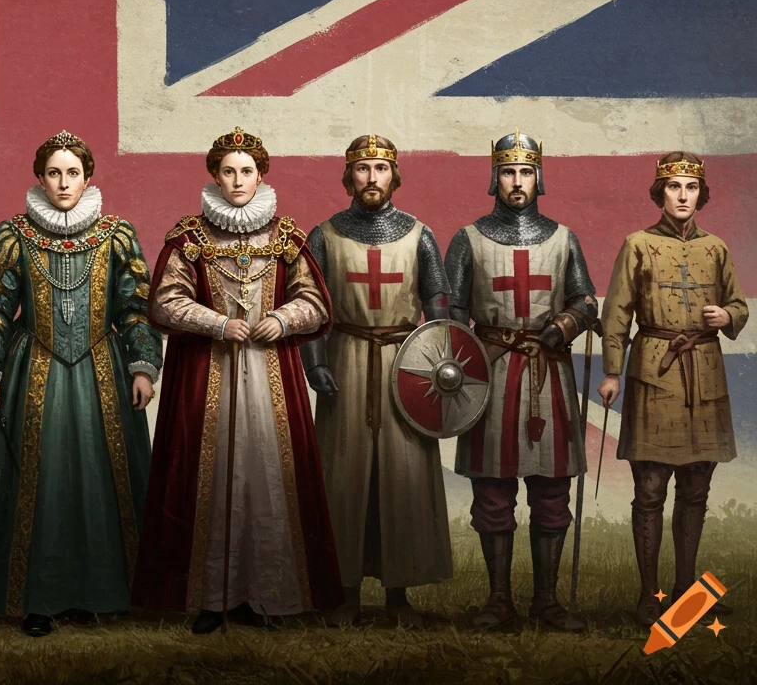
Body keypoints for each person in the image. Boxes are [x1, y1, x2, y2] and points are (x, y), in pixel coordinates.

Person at [0, 130, 162, 637]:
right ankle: (33, 598)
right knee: (35, 480)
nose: (63, 183)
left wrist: (143, 367)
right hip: (30, 368)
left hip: (100, 372)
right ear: (40, 178)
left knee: (95, 479)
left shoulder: (116, 234)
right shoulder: (13, 234)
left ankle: (93, 594)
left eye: (73, 173)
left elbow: (133, 308)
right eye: (54, 173)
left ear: (88, 178)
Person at [133, 127, 342, 634]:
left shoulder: (287, 238)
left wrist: (285, 319)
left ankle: (273, 596)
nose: (237, 180)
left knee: (270, 476)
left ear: (261, 174)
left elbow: (315, 303)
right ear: (214, 175)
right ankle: (210, 597)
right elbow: (164, 301)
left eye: (246, 171)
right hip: (207, 374)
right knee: (213, 477)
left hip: (272, 374)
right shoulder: (190, 237)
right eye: (228, 171)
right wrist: (218, 323)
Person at [443, 130, 595, 633]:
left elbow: (586, 301)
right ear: (494, 176)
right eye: (508, 171)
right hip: (490, 373)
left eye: (525, 172)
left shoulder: (563, 237)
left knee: (551, 490)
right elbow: (450, 313)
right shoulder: (468, 239)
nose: (517, 181)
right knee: (493, 488)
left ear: (538, 178)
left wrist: (565, 325)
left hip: (548, 373)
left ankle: (547, 601)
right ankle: (498, 599)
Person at [302, 134, 453, 627]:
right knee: (342, 476)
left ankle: (398, 596)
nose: (371, 178)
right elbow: (309, 306)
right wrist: (315, 363)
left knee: (403, 477)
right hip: (345, 358)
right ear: (349, 176)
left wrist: (440, 364)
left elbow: (437, 303)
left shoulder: (419, 235)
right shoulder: (324, 235)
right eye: (362, 169)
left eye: (380, 169)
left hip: (404, 365)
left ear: (395, 176)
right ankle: (342, 591)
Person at [598, 152, 747, 629]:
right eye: (673, 186)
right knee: (650, 488)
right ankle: (648, 596)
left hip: (705, 371)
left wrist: (728, 318)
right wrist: (613, 372)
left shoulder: (717, 248)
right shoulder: (637, 245)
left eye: (690, 187)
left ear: (701, 194)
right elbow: (616, 314)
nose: (682, 195)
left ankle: (686, 594)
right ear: (659, 193)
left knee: (697, 488)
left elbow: (739, 304)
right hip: (654, 372)